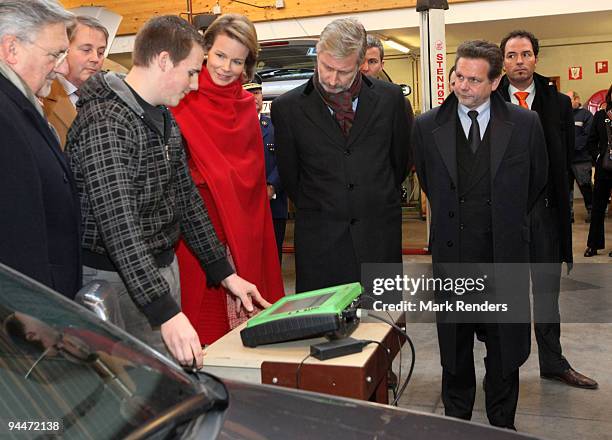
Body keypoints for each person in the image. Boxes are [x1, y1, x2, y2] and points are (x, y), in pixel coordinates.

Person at [65, 15, 269, 369]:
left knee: (158, 380)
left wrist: (225, 273)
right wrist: (165, 311)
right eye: (191, 72)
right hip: (114, 281)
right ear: (163, 60)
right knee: (124, 387)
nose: (194, 85)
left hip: (157, 271)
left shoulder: (162, 116)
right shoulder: (106, 120)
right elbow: (120, 227)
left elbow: (186, 200)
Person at [413, 40, 548, 429]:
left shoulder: (524, 125)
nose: (463, 86)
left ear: (495, 81)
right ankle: (456, 421)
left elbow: (536, 181)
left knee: (505, 352)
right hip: (453, 260)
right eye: (458, 77)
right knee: (454, 351)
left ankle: (502, 423)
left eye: (474, 80)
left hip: (502, 258)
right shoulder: (427, 126)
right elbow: (429, 181)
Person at [272, 18, 414, 293]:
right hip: (320, 245)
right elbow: (292, 177)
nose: (332, 79)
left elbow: (400, 162)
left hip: (378, 240)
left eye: (344, 72)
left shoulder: (390, 100)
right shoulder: (287, 108)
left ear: (361, 63)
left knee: (382, 328)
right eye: (326, 67)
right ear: (317, 54)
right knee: (324, 330)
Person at [171, 14, 284, 345]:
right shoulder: (181, 98)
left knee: (238, 339)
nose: (225, 67)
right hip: (193, 237)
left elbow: (253, 180)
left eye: (237, 61)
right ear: (206, 50)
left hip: (241, 234)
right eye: (220, 55)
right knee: (196, 333)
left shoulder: (248, 107)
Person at [499, 30, 597, 389]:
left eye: (525, 54)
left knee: (546, 295)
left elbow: (565, 159)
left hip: (544, 215)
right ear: (503, 61)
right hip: (504, 217)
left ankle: (552, 362)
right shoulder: (490, 101)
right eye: (511, 55)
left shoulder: (556, 103)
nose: (519, 61)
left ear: (536, 58)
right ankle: (503, 367)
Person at [0, 0, 81, 299]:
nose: (62, 68)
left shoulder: (18, 103)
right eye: (55, 54)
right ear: (11, 49)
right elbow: (16, 239)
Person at [43, 15, 108, 148]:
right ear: (64, 49)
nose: (95, 58)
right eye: (86, 50)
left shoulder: (108, 99)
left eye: (101, 52)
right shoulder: (42, 97)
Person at [243, 73, 288, 263]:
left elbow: (285, 160)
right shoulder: (234, 129)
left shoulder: (275, 127)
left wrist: (272, 185)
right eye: (249, 93)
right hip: (245, 206)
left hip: (274, 204)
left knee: (273, 258)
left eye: (257, 92)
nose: (255, 97)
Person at [584, 85, 612, 257]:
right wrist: (598, 156)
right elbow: (591, 141)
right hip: (604, 168)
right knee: (598, 208)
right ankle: (593, 245)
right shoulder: (601, 116)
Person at [565, 90, 594, 223]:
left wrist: (571, 147)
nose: (567, 102)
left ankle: (592, 210)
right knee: (567, 188)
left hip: (581, 159)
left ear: (577, 99)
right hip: (566, 160)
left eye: (569, 99)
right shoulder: (563, 115)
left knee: (585, 186)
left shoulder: (586, 115)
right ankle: (569, 214)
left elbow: (587, 136)